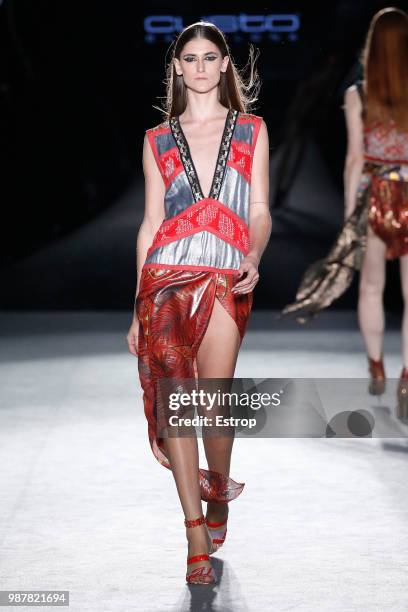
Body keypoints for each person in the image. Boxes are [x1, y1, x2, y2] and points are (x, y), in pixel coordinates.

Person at [126, 21, 271, 584]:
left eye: (212, 57)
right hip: (165, 279)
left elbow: (258, 209)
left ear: (226, 66)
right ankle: (193, 533)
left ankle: (219, 493)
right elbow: (150, 224)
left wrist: (253, 254)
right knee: (177, 405)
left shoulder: (252, 131)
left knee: (214, 404)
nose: (202, 67)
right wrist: (136, 305)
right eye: (191, 58)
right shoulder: (157, 139)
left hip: (225, 275)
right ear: (178, 68)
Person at [281, 8, 408, 413]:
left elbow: (355, 157)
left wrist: (351, 210)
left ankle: (377, 369)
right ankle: (407, 378)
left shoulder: (358, 92)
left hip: (374, 193)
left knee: (371, 288)